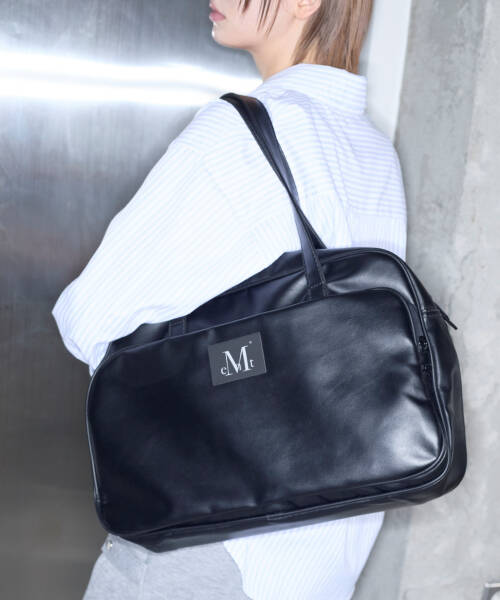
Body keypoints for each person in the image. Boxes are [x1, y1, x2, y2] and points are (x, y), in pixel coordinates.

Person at [52, 0, 407, 598]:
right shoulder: (373, 151)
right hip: (321, 560)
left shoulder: (238, 131)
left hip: (212, 540)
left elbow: (88, 317)